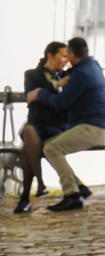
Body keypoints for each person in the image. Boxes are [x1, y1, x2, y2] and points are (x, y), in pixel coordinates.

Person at [26, 37, 105, 211]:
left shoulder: (81, 73)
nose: (66, 59)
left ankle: (72, 195)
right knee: (48, 146)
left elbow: (62, 102)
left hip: (91, 128)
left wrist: (39, 95)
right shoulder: (91, 67)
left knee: (51, 149)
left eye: (67, 54)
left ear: (72, 54)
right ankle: (79, 187)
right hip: (94, 126)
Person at [13, 42, 69, 214]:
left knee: (25, 151)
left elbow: (63, 102)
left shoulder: (67, 75)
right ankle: (40, 182)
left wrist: (43, 94)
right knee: (29, 132)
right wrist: (55, 86)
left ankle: (25, 199)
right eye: (63, 55)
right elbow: (29, 97)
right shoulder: (31, 74)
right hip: (37, 125)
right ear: (50, 55)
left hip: (57, 127)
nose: (66, 60)